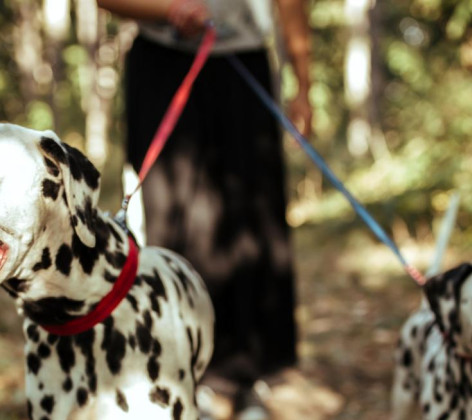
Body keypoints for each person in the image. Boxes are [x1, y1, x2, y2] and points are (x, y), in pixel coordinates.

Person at [96, 0, 329, 417]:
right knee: (177, 220)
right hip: (162, 64)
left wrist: (303, 84)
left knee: (252, 222)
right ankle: (186, 373)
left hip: (241, 64)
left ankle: (247, 376)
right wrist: (169, 10)